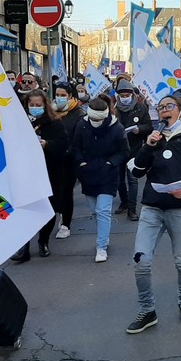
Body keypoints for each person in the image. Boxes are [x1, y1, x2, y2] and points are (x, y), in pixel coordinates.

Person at [125, 95, 181, 334]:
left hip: (180, 209)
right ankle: (147, 310)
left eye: (169, 106)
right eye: (160, 107)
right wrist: (148, 146)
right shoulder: (154, 138)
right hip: (152, 208)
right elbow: (136, 170)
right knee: (141, 261)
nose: (164, 111)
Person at [11, 89, 69, 262]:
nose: (34, 108)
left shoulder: (55, 123)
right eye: (31, 105)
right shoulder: (20, 123)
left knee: (48, 209)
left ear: (45, 105)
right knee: (26, 209)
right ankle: (24, 247)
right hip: (26, 173)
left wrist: (47, 144)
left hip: (49, 172)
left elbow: (63, 144)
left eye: (38, 105)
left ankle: (43, 241)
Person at [70, 93, 129, 262]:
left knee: (103, 211)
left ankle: (101, 246)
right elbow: (75, 147)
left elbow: (124, 151)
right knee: (96, 211)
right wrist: (81, 162)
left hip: (108, 174)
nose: (95, 123)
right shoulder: (82, 125)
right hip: (88, 174)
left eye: (98, 120)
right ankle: (104, 236)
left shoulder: (117, 128)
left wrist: (111, 163)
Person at [113, 79, 152, 221]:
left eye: (127, 95)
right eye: (122, 95)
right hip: (117, 150)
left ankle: (132, 209)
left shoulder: (140, 108)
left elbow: (148, 126)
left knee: (133, 180)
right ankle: (123, 202)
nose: (124, 98)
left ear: (132, 95)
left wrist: (139, 129)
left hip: (134, 150)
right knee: (119, 180)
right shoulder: (113, 108)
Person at [52, 82, 86, 239]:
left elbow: (79, 139)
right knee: (53, 192)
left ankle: (66, 224)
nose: (59, 98)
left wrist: (69, 151)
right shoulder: (51, 112)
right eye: (57, 95)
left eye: (62, 95)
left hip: (69, 160)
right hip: (52, 159)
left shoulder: (78, 114)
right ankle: (57, 215)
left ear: (71, 96)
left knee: (66, 191)